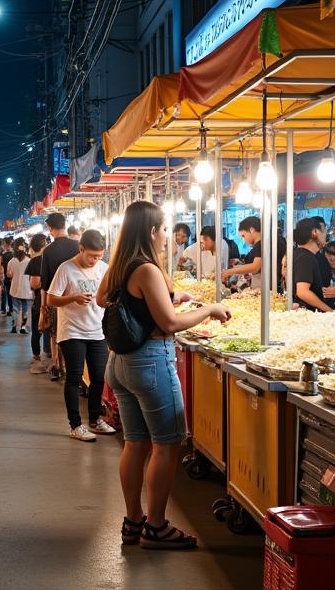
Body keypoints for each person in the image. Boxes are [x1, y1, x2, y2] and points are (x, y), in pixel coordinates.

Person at [98, 200, 233, 550]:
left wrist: (172, 294)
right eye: (164, 229)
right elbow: (169, 323)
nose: (167, 236)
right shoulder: (146, 269)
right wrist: (209, 309)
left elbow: (105, 299)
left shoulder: (120, 266)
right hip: (151, 362)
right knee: (167, 445)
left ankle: (133, 521)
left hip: (120, 364)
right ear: (151, 231)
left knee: (136, 442)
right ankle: (156, 527)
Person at [47, 229, 115, 442]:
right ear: (81, 248)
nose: (95, 260)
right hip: (72, 331)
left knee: (97, 378)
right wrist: (73, 297)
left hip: (97, 331)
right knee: (74, 378)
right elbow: (51, 299)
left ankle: (95, 419)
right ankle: (76, 424)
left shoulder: (104, 269)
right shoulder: (66, 269)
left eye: (99, 256)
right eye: (91, 255)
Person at [39, 212, 81, 381]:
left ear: (50, 229)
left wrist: (43, 306)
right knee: (75, 334)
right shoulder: (78, 246)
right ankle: (74, 367)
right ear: (65, 224)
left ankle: (58, 365)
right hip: (78, 297)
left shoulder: (48, 251)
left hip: (56, 299)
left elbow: (45, 283)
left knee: (55, 334)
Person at [220, 216, 287, 290]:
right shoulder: (277, 239)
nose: (244, 240)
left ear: (252, 230)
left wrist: (230, 271)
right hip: (277, 285)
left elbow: (255, 267)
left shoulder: (261, 244)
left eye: (243, 236)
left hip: (265, 288)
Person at [290, 217, 332, 312]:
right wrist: (329, 311)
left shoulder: (298, 253)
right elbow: (302, 292)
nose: (326, 235)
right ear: (315, 232)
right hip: (308, 313)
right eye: (324, 231)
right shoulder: (305, 257)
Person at [25, 233, 51, 373]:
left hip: (40, 299)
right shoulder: (52, 258)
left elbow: (35, 284)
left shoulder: (35, 261)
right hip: (56, 298)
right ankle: (54, 357)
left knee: (37, 329)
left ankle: (37, 357)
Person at [7, 243, 32, 332]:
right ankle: (23, 327)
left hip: (14, 287)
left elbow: (9, 275)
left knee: (15, 308)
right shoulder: (29, 261)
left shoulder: (12, 261)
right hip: (26, 288)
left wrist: (12, 274)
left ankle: (14, 327)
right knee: (25, 308)